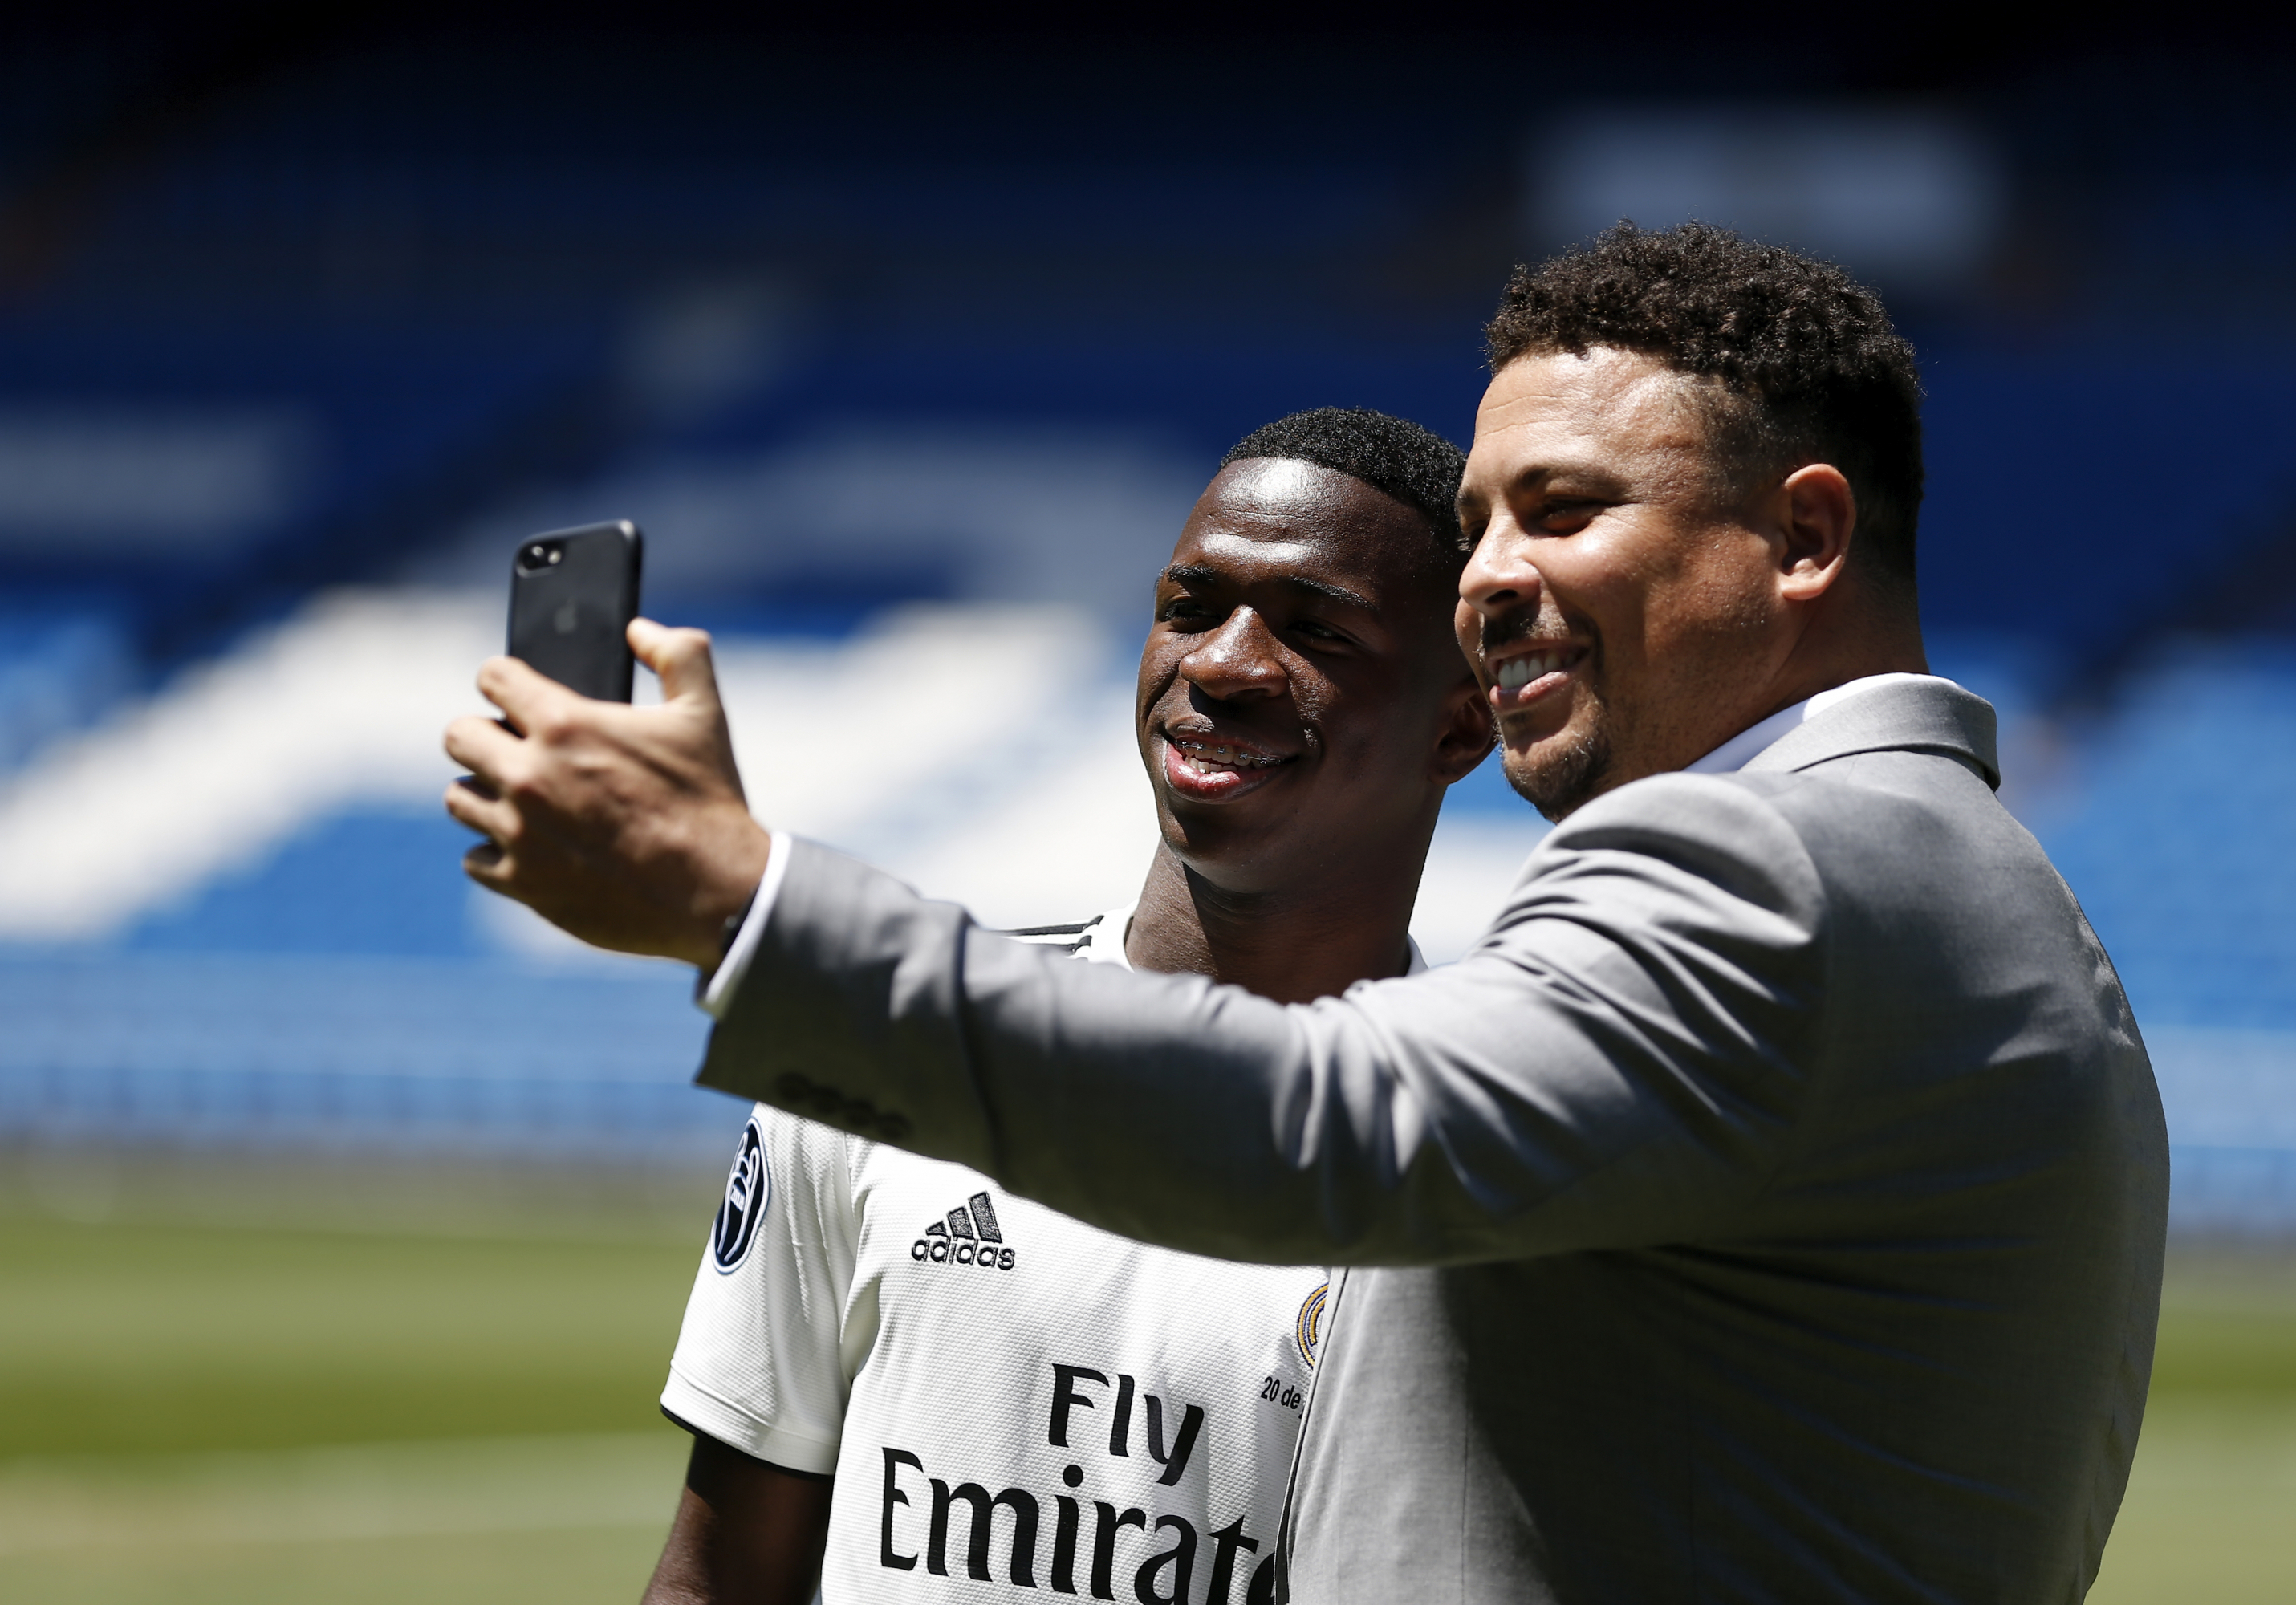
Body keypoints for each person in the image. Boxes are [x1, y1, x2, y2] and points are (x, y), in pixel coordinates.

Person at [446, 225, 2169, 1603]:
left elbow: (1322, 1119)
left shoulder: (1787, 872)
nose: (1492, 578)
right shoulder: (1975, 901)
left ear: (1801, 538)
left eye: (1564, 511)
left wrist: (738, 897)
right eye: (1483, 521)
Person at [636, 408, 1494, 1605]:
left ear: (1460, 723)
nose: (1220, 664)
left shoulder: (1485, 1162)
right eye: (1189, 608)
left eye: (1317, 632)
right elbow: (715, 1580)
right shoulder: (888, 1059)